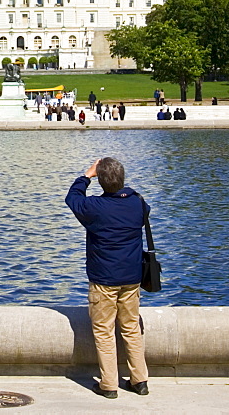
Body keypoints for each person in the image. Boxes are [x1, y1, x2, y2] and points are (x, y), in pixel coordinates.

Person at [66, 158, 150, 398]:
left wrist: (86, 176)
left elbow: (72, 198)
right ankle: (139, 380)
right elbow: (143, 211)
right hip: (132, 276)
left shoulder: (94, 207)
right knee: (132, 328)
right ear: (122, 178)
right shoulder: (138, 202)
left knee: (104, 331)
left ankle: (109, 384)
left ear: (101, 181)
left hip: (104, 278)